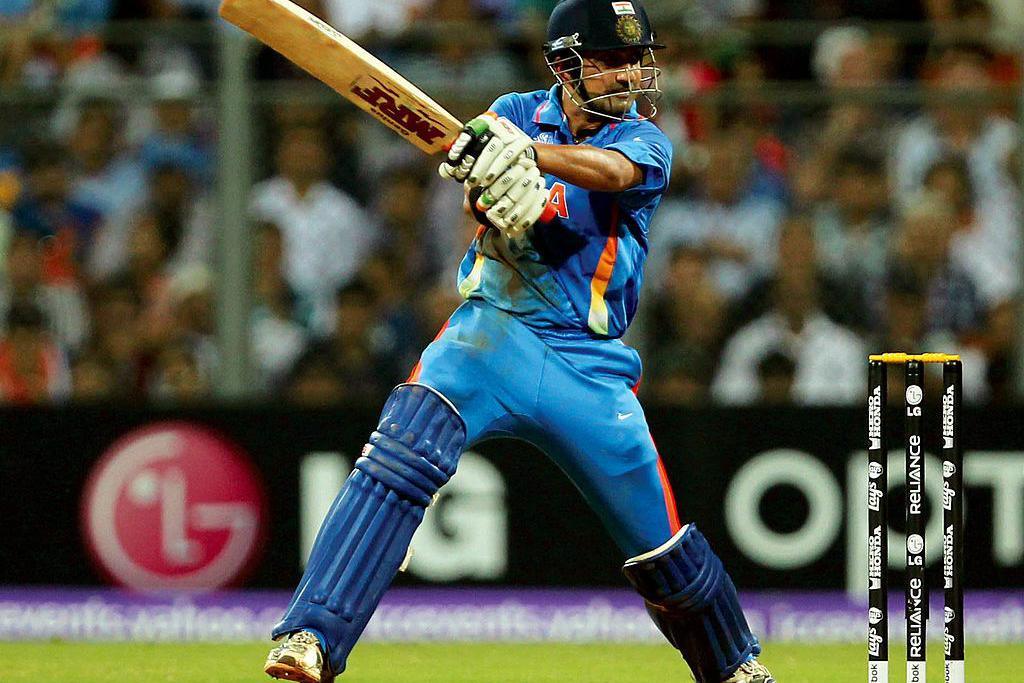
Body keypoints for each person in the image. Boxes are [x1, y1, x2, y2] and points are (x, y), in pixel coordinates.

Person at [263, 2, 775, 682]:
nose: (630, 75)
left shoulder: (647, 142)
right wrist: (495, 191)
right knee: (399, 454)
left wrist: (529, 161)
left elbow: (610, 176)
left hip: (588, 365)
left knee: (662, 551)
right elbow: (484, 201)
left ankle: (734, 666)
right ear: (567, 63)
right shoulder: (511, 110)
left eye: (636, 60)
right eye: (612, 60)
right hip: (492, 331)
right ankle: (311, 638)